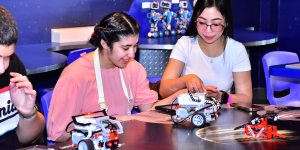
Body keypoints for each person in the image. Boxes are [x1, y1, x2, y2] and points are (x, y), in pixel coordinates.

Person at [47, 12, 183, 143]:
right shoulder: (74, 77)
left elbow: (150, 111)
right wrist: (98, 128)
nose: (132, 54)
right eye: (125, 48)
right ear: (105, 43)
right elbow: (58, 135)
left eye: (135, 46)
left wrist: (180, 95)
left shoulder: (133, 68)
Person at [159, 0, 252, 104]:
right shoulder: (185, 44)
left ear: (226, 22)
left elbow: (246, 99)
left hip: (223, 117)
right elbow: (163, 91)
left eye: (216, 24)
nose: (208, 30)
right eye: (202, 22)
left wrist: (222, 97)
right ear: (195, 20)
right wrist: (186, 79)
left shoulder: (236, 50)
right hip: (187, 117)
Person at [0, 6, 45, 149]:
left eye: (6, 57)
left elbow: (27, 139)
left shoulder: (14, 65)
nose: (2, 69)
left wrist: (28, 113)